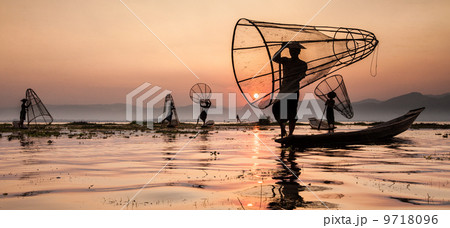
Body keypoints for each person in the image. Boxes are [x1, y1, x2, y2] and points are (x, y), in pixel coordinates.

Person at [272, 42, 307, 137]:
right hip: (284, 90)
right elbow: (275, 58)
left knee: (292, 113)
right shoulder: (286, 61)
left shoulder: (302, 64)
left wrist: (295, 78)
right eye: (291, 51)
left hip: (293, 90)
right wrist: (282, 47)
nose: (293, 53)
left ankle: (290, 134)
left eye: (295, 51)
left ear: (298, 52)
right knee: (277, 109)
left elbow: (302, 76)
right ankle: (283, 130)